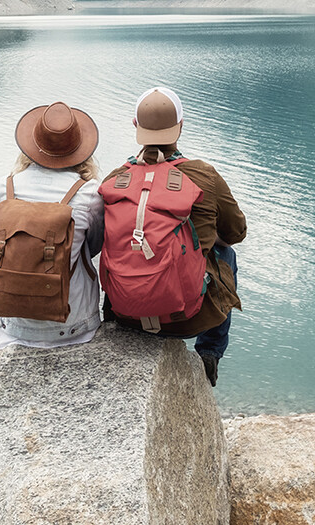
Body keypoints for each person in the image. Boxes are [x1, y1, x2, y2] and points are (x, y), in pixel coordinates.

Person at [103, 87, 246, 386]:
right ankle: (209, 353)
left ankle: (114, 324)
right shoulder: (204, 175)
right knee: (226, 254)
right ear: (181, 126)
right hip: (188, 318)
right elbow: (236, 233)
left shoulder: (114, 180)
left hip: (126, 315)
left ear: (135, 126)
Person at [0, 101, 105, 349]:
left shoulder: (7, 187)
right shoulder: (89, 192)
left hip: (9, 323)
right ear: (80, 150)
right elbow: (94, 245)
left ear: (32, 147)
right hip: (70, 325)